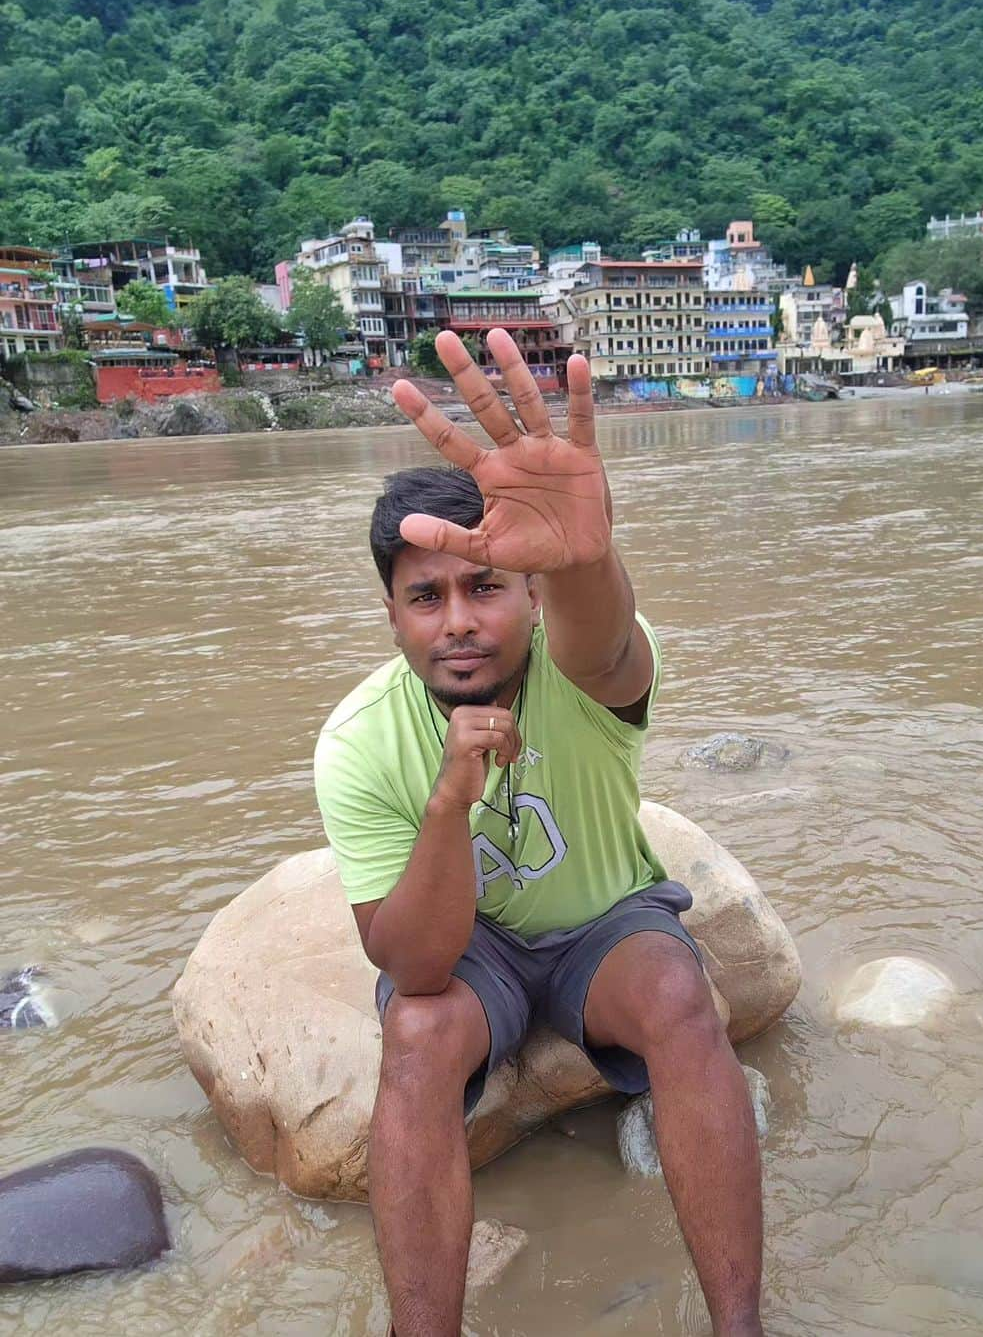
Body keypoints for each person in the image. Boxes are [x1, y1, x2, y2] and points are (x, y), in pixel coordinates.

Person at [314, 329, 764, 1337]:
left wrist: (586, 554)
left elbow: (604, 642)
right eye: (425, 597)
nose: (459, 620)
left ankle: (741, 1326)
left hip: (602, 924)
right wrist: (447, 798)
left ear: (526, 589)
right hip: (475, 959)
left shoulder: (581, 664)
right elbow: (416, 966)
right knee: (418, 1033)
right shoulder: (358, 741)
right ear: (391, 618)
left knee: (678, 993)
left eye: (484, 586)